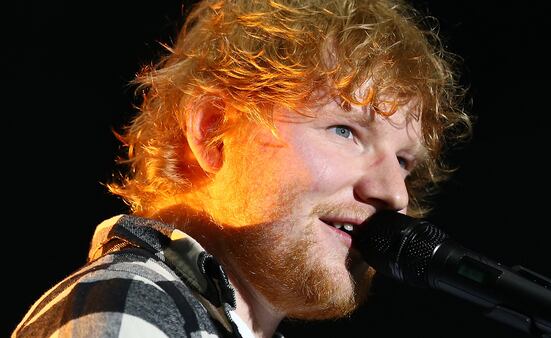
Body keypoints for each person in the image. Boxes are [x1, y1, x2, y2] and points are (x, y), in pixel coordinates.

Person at [13, 0, 471, 337]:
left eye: (405, 161)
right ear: (214, 133)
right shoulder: (135, 308)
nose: (396, 194)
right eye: (345, 130)